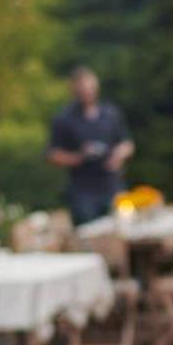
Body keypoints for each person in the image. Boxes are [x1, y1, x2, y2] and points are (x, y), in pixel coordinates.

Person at [47, 66, 135, 227]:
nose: (87, 92)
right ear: (74, 89)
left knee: (121, 229)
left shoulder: (110, 114)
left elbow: (127, 143)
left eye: (90, 88)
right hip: (83, 191)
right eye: (83, 89)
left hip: (112, 186)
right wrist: (79, 157)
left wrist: (118, 155)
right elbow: (53, 154)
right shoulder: (64, 119)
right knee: (88, 234)